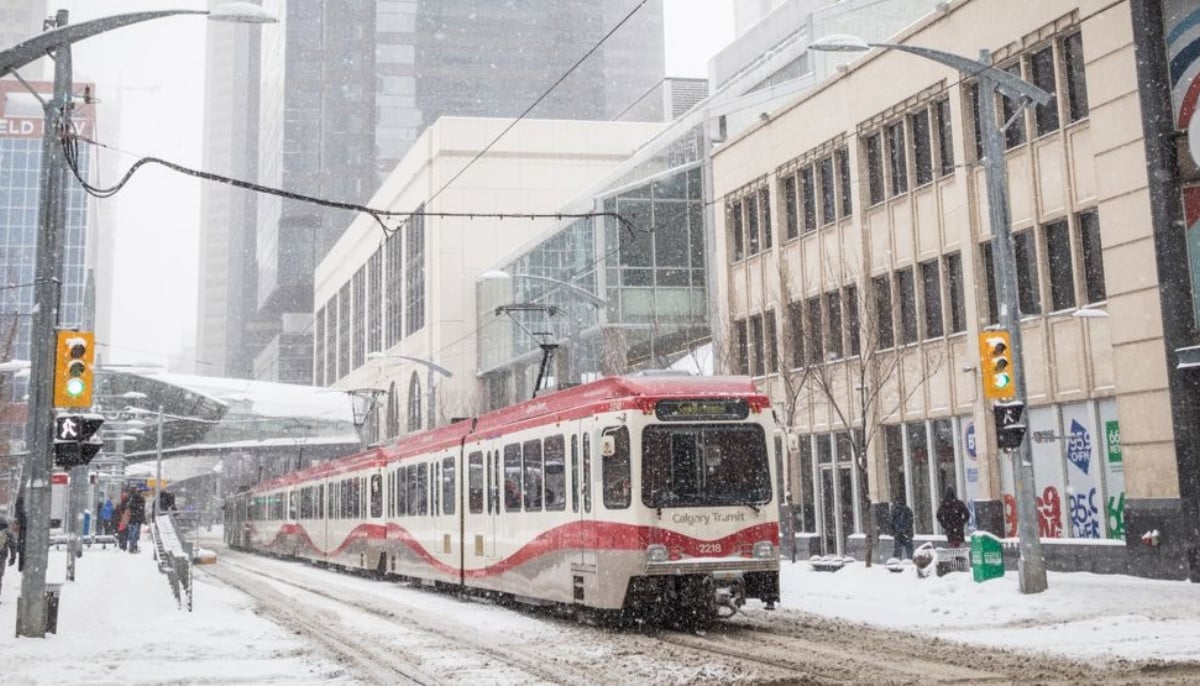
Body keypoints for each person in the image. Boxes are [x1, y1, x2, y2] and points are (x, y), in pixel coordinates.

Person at [890, 496, 914, 560]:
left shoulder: (894, 510)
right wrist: (906, 530)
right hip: (907, 533)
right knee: (909, 550)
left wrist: (894, 531)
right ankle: (910, 562)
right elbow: (911, 521)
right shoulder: (908, 510)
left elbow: (891, 522)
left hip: (898, 533)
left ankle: (897, 562)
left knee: (897, 551)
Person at [126, 487, 147, 554]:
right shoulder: (140, 500)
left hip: (131, 520)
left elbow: (128, 508)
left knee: (132, 534)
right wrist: (143, 519)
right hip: (136, 520)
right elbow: (141, 511)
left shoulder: (131, 499)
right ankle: (132, 548)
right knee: (134, 534)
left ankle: (132, 547)